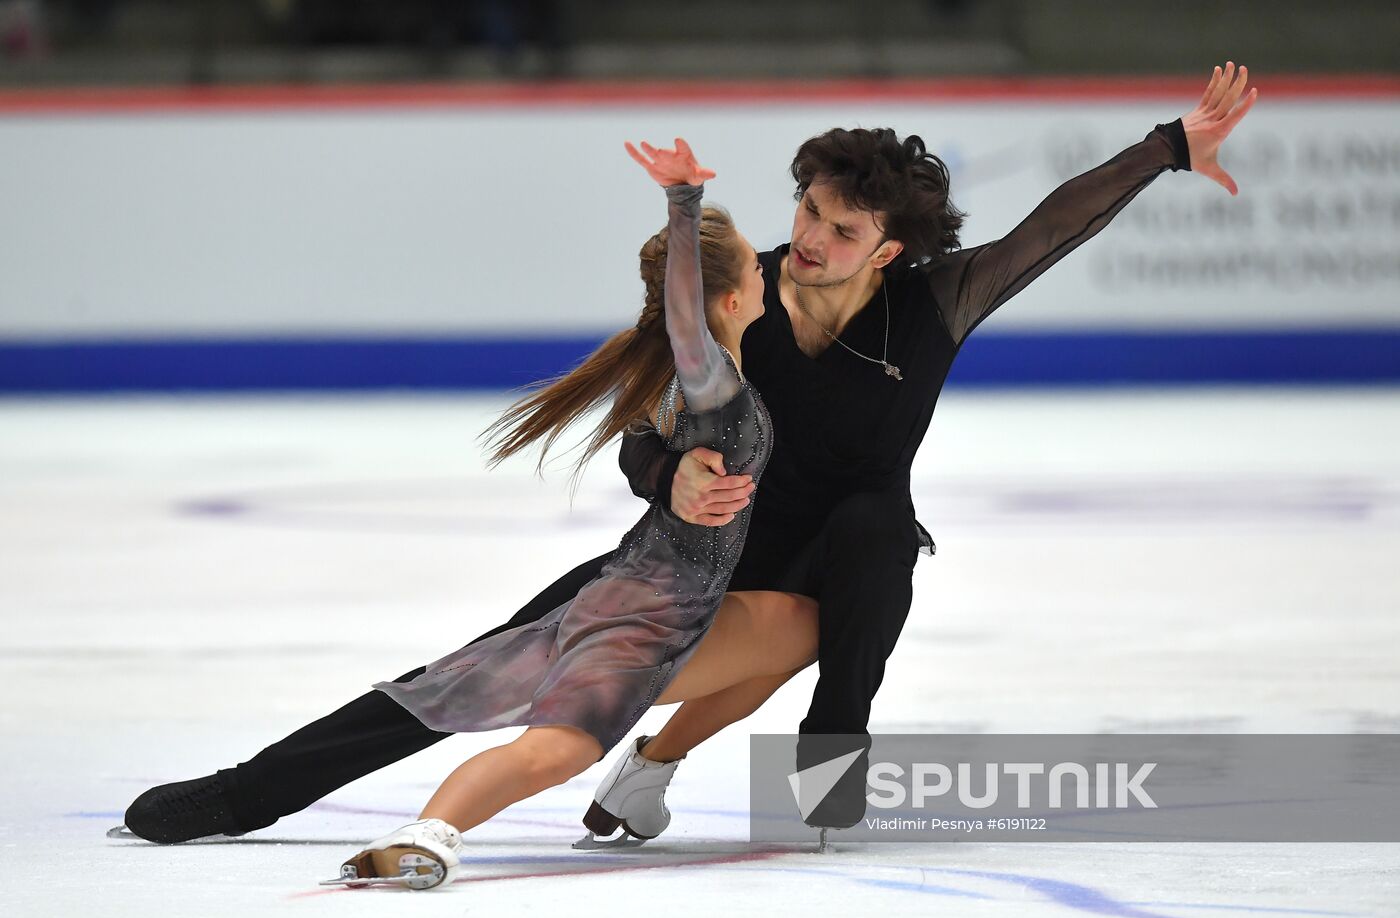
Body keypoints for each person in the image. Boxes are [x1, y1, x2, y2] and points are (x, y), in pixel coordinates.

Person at [122, 62, 1257, 849]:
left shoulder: (933, 303)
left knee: (877, 535)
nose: (809, 240)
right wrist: (667, 475)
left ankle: (832, 755)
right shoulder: (738, 293)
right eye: (807, 210)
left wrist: (1168, 147)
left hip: (831, 568)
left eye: (841, 231)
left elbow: (1049, 226)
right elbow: (638, 425)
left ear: (890, 249)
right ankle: (243, 794)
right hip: (693, 553)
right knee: (474, 671)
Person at [122, 140, 822, 889]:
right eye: (756, 265)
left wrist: (666, 470)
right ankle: (334, 812)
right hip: (642, 597)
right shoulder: (706, 373)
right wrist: (684, 204)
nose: (769, 270)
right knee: (498, 715)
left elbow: (648, 434)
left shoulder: (694, 372)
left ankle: (646, 771)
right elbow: (666, 387)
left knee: (805, 632)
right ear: (727, 299)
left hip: (661, 587)